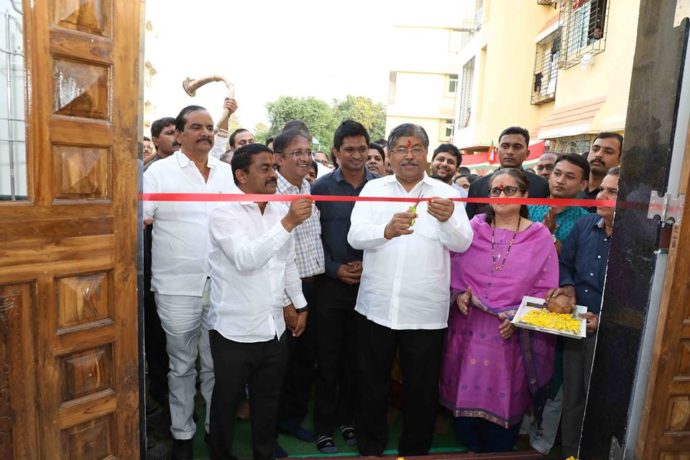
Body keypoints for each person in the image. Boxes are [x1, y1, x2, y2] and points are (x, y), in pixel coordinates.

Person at [348, 123, 473, 456]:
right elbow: (355, 236)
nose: (409, 155)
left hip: (425, 312)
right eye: (401, 149)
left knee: (421, 391)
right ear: (389, 155)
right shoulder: (373, 191)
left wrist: (448, 219)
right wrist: (386, 230)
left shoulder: (448, 195)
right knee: (371, 386)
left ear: (427, 155)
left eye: (416, 148)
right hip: (376, 308)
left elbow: (462, 244)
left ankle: (414, 452)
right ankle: (370, 449)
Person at [439, 168, 559, 453]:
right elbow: (450, 268)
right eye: (495, 190)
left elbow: (546, 287)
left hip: (511, 336)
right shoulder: (473, 228)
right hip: (468, 331)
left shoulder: (539, 236)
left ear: (525, 196)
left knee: (503, 416)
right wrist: (458, 296)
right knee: (464, 414)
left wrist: (519, 318)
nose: (501, 195)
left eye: (509, 190)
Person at [207, 143, 313, 460]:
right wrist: (288, 224)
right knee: (226, 405)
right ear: (241, 175)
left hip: (274, 330)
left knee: (267, 404)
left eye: (273, 167)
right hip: (234, 332)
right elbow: (246, 259)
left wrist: (300, 303)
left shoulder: (280, 211)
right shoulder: (224, 213)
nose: (273, 174)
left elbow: (288, 263)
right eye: (264, 168)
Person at [143, 105, 236, 460]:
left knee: (216, 365)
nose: (206, 133)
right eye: (196, 127)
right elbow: (142, 218)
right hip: (176, 286)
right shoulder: (159, 174)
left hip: (225, 285)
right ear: (179, 134)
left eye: (210, 127)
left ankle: (216, 431)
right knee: (180, 365)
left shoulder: (229, 175)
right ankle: (182, 435)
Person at [311, 120, 376, 453]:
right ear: (336, 152)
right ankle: (323, 427)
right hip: (330, 288)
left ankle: (350, 421)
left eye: (362, 148)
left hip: (370, 287)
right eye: (348, 149)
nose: (356, 155)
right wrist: (335, 269)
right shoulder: (320, 188)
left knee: (359, 360)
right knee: (328, 360)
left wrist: (369, 266)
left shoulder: (382, 188)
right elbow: (310, 239)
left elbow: (389, 234)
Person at [549, 167, 620, 459]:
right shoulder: (585, 226)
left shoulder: (639, 237)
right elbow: (565, 264)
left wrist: (606, 319)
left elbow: (643, 291)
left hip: (617, 334)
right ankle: (569, 453)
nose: (601, 195)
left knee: (604, 402)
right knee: (573, 397)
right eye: (601, 189)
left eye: (612, 192)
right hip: (577, 323)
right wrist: (567, 287)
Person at [273, 128, 325, 446]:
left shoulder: (310, 187)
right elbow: (276, 253)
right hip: (287, 293)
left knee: (304, 362)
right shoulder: (270, 192)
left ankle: (291, 419)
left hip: (316, 288)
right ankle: (270, 427)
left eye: (307, 151)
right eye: (297, 153)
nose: (305, 158)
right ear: (278, 158)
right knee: (279, 365)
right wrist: (288, 302)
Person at [465, 126, 549, 218]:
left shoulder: (541, 186)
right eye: (505, 146)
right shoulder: (478, 186)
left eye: (517, 147)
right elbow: (469, 226)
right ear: (497, 151)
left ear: (527, 154)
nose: (510, 151)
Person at [529, 153, 591, 254]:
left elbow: (578, 260)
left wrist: (550, 237)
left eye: (570, 177)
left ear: (583, 185)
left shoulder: (586, 222)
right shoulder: (528, 210)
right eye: (557, 174)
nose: (560, 181)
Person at [576, 133, 622, 211]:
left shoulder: (619, 197)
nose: (598, 154)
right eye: (595, 149)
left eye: (608, 151)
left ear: (620, 159)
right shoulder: (572, 186)